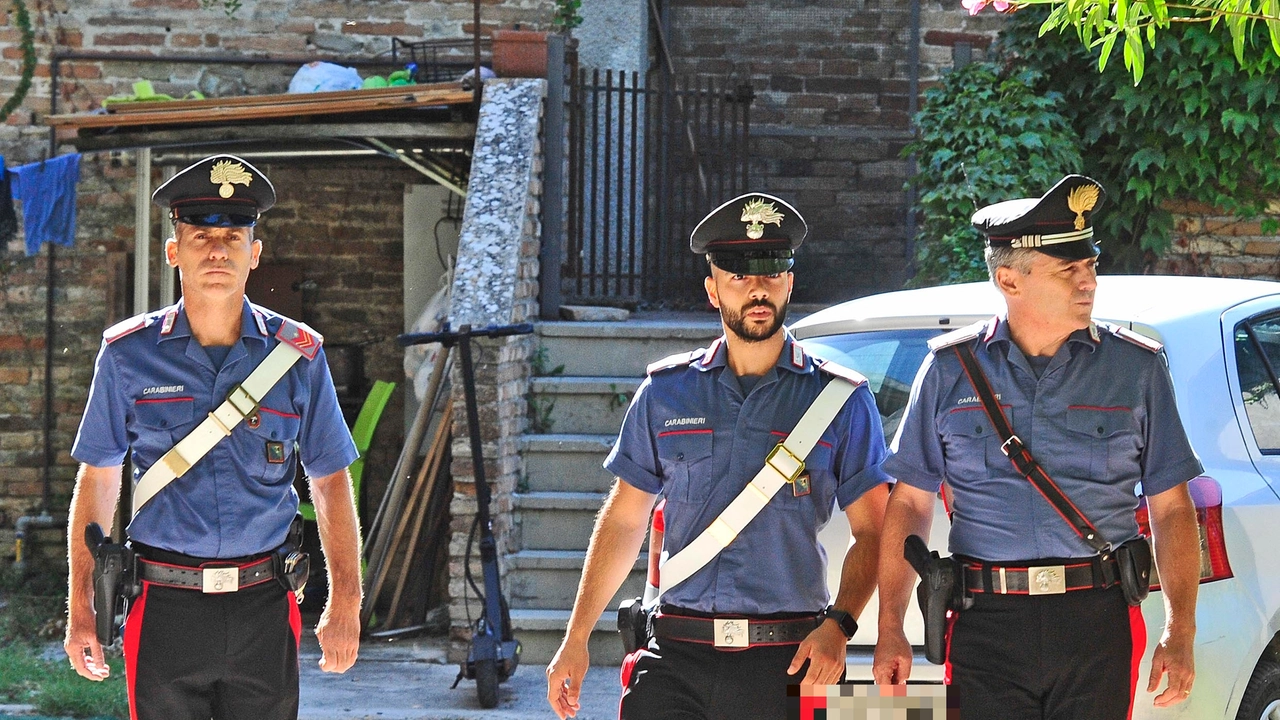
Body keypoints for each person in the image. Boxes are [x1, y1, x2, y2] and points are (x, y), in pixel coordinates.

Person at [545, 193, 890, 719]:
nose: (758, 288)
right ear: (712, 290)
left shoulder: (841, 398)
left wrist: (839, 625)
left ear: (790, 282)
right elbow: (624, 519)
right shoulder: (666, 393)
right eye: (739, 276)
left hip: (792, 658)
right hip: (676, 655)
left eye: (772, 274)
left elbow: (874, 531)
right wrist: (576, 637)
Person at [872, 175, 1201, 718]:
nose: (1088, 282)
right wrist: (890, 628)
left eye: (1090, 266)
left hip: (1098, 620)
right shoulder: (950, 370)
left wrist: (1180, 630)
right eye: (1067, 270)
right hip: (987, 621)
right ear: (1009, 279)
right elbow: (909, 503)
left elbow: (1171, 508)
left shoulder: (1135, 369)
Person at [62, 154, 364, 720]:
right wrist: (81, 604)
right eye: (201, 235)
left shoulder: (298, 355)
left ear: (256, 252)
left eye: (232, 236)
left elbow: (329, 480)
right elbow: (99, 478)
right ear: (175, 251)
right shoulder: (128, 354)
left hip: (265, 603)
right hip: (164, 607)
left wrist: (345, 599)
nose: (217, 250)